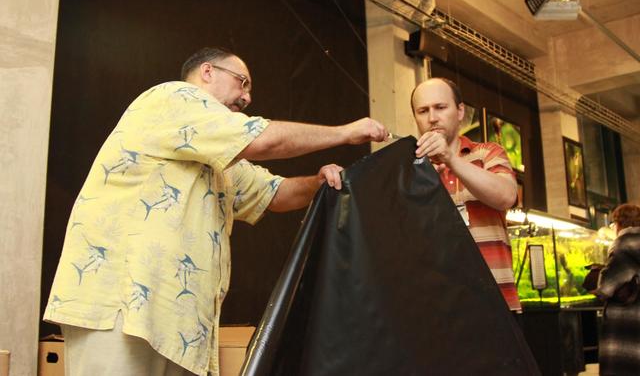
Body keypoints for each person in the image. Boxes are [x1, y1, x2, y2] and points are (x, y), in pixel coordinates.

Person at [44, 47, 389, 376]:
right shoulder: (175, 98)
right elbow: (262, 139)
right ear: (207, 72)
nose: (247, 97)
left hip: (175, 326)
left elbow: (274, 193)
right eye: (242, 82)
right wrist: (345, 133)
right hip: (122, 307)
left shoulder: (217, 155)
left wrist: (319, 182)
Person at [411, 77, 521, 312]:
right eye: (423, 111)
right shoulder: (410, 170)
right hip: (438, 308)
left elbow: (506, 196)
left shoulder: (488, 153)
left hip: (495, 304)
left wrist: (450, 159)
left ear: (460, 111)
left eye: (440, 107)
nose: (432, 117)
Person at [596, 203, 640, 376]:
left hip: (627, 322)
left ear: (619, 223)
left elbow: (607, 286)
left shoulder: (624, 244)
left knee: (624, 366)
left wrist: (599, 273)